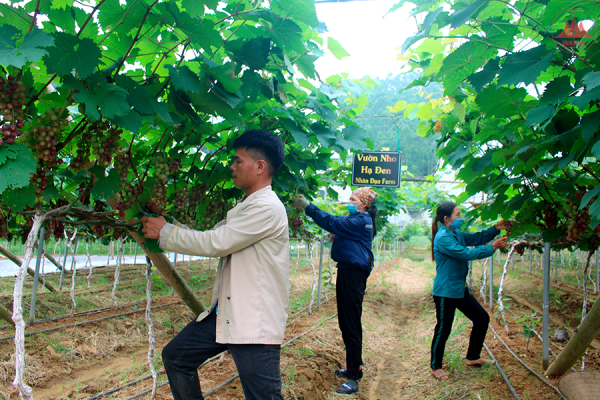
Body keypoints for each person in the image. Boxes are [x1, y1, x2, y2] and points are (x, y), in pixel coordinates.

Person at [141, 129, 289, 400]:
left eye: (237, 161)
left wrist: (165, 232)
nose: (231, 166)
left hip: (254, 323)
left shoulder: (266, 207)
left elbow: (215, 243)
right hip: (229, 313)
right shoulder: (246, 207)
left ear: (259, 167)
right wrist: (167, 223)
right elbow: (210, 237)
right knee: (176, 357)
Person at [290, 187, 378, 395]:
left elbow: (332, 221)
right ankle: (353, 366)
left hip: (353, 274)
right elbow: (341, 230)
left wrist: (308, 207)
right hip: (349, 271)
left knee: (351, 323)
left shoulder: (360, 220)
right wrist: (338, 238)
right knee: (346, 321)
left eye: (353, 199)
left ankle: (353, 379)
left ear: (363, 204)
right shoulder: (359, 220)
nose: (349, 201)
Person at [430, 201, 509, 380]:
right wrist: (493, 247)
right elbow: (466, 253)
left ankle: (473, 357)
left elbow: (475, 238)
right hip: (445, 291)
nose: (461, 218)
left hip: (459, 288)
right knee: (443, 329)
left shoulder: (455, 232)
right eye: (458, 215)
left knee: (482, 318)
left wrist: (496, 228)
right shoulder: (443, 237)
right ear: (446, 218)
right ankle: (436, 367)